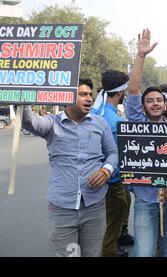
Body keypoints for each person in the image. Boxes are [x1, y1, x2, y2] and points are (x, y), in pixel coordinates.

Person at [21, 78, 118, 257]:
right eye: (83, 94)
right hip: (61, 208)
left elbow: (113, 154)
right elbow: (28, 122)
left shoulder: (100, 124)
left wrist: (106, 171)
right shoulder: (52, 124)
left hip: (94, 206)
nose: (89, 99)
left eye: (90, 94)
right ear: (68, 97)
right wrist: (26, 92)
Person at [125, 29, 167, 257]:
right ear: (142, 107)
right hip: (145, 199)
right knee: (144, 252)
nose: (154, 103)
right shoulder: (137, 123)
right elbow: (133, 90)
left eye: (158, 100)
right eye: (149, 101)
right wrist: (141, 56)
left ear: (166, 103)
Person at [90, 70, 130, 257]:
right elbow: (116, 155)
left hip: (93, 179)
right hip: (112, 182)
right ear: (121, 92)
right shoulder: (116, 121)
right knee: (110, 227)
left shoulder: (93, 112)